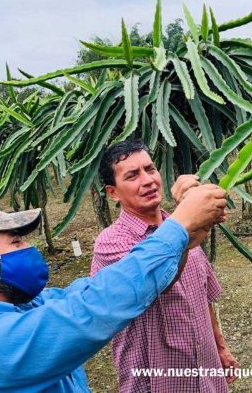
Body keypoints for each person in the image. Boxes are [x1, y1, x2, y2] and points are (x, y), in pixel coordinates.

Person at [0, 181, 227, 392]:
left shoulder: (28, 306)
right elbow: (97, 305)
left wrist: (184, 239)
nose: (29, 248)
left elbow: (94, 289)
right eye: (16, 242)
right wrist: (179, 224)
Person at [90, 139, 238, 393]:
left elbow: (203, 296)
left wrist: (221, 348)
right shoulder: (111, 243)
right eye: (132, 175)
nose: (148, 180)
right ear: (113, 192)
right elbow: (155, 282)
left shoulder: (180, 225)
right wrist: (188, 224)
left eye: (150, 169)